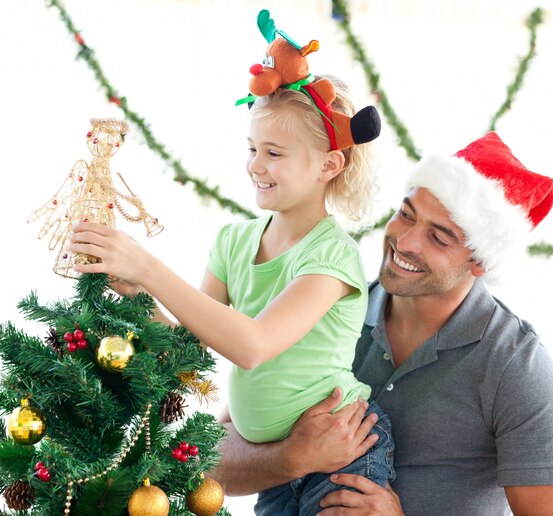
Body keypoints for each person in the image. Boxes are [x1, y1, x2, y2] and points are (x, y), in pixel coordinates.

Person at [69, 10, 395, 515]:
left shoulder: (332, 255)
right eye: (251, 148)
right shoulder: (233, 242)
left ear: (329, 165)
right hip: (273, 464)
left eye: (275, 153)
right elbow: (186, 351)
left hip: (343, 456)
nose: (255, 166)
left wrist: (149, 265)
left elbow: (253, 346)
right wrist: (135, 290)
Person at [209, 131, 553, 515]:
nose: (405, 242)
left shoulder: (516, 366)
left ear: (480, 263)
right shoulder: (325, 302)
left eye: (438, 238)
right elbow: (208, 460)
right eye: (406, 214)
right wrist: (291, 457)